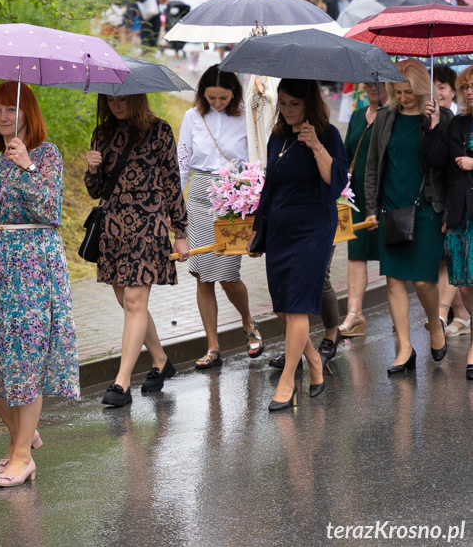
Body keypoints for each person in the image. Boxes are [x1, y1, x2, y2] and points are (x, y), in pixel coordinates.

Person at [0, 82, 79, 487]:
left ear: (28, 113)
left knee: (25, 362)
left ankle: (22, 454)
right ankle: (24, 433)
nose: (4, 117)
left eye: (11, 109)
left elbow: (51, 209)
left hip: (34, 268)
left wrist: (27, 166)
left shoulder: (47, 155)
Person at [248, 79, 347, 411]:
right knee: (281, 307)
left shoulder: (328, 134)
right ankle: (315, 361)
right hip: (279, 228)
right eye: (284, 103)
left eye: (295, 104)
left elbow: (336, 182)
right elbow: (269, 187)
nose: (288, 110)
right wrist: (257, 227)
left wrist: (316, 145)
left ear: (309, 104)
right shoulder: (277, 137)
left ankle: (288, 380)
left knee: (297, 305)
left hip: (314, 228)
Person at [85, 93, 189, 407]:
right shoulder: (101, 133)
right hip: (114, 227)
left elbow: (173, 181)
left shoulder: (160, 130)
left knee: (133, 301)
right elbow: (95, 191)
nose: (117, 105)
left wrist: (181, 232)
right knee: (128, 302)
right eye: (111, 99)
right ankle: (160, 360)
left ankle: (121, 383)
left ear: (137, 99)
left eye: (123, 99)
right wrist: (92, 168)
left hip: (149, 223)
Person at [363, 59, 452, 375]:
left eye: (408, 92)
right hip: (391, 207)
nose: (403, 98)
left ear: (420, 88)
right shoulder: (386, 118)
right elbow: (373, 166)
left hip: (428, 207)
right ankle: (404, 348)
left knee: (423, 280)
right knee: (394, 280)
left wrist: (437, 126)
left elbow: (446, 166)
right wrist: (372, 210)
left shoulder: (440, 117)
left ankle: (434, 324)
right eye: (397, 92)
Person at [177, 65, 263, 368]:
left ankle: (249, 322)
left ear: (234, 93)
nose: (217, 103)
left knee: (227, 274)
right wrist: (177, 209)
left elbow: (255, 160)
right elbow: (183, 162)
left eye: (223, 97)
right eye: (211, 97)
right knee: (202, 276)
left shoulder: (245, 118)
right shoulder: (192, 117)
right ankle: (212, 346)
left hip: (232, 199)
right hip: (199, 196)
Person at [427, 66, 473, 377]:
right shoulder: (458, 123)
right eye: (466, 86)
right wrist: (433, 126)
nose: (470, 91)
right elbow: (437, 163)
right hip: (459, 212)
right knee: (465, 284)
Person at [338, 82, 387, 338]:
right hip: (357, 194)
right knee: (356, 252)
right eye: (368, 82)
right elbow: (346, 153)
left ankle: (397, 313)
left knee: (392, 252)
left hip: (386, 193)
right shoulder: (358, 115)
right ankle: (354, 313)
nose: (372, 86)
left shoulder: (395, 116)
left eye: (378, 82)